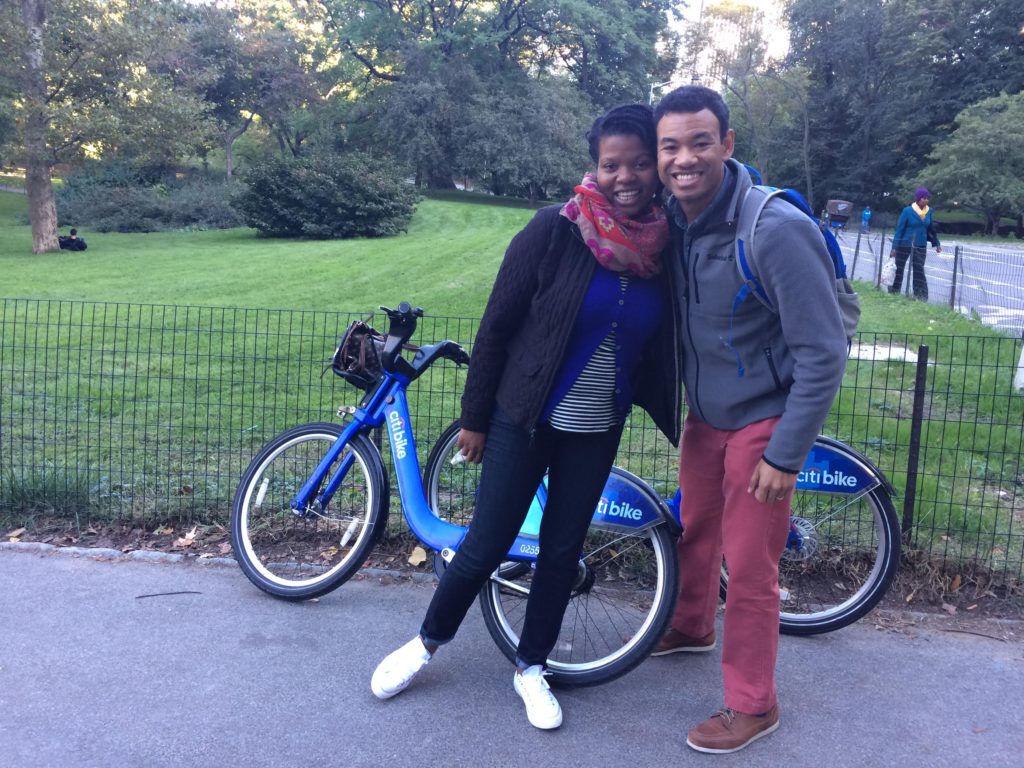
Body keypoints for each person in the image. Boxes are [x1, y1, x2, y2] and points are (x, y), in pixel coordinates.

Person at [370, 104, 682, 729]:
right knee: (485, 544)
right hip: (523, 418)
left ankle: (531, 667)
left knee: (562, 553)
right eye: (611, 163)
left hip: (596, 429)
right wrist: (476, 417)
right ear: (594, 166)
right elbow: (496, 328)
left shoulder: (668, 243)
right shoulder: (553, 229)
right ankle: (426, 642)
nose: (626, 176)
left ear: (658, 165)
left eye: (640, 162)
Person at [651, 85, 848, 754]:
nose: (684, 159)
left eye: (700, 142)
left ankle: (753, 704)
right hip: (706, 416)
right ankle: (691, 625)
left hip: (767, 417)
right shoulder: (675, 217)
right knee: (695, 529)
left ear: (728, 145)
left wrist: (786, 453)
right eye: (670, 146)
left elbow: (823, 353)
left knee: (752, 564)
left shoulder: (774, 229)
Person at [888, 187, 941, 300]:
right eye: (923, 198)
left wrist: (937, 243)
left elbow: (931, 229)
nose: (926, 200)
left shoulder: (929, 211)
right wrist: (894, 247)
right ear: (918, 199)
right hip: (905, 244)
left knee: (919, 270)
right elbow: (900, 229)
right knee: (899, 268)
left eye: (927, 198)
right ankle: (893, 291)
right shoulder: (907, 211)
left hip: (920, 245)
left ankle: (920, 296)